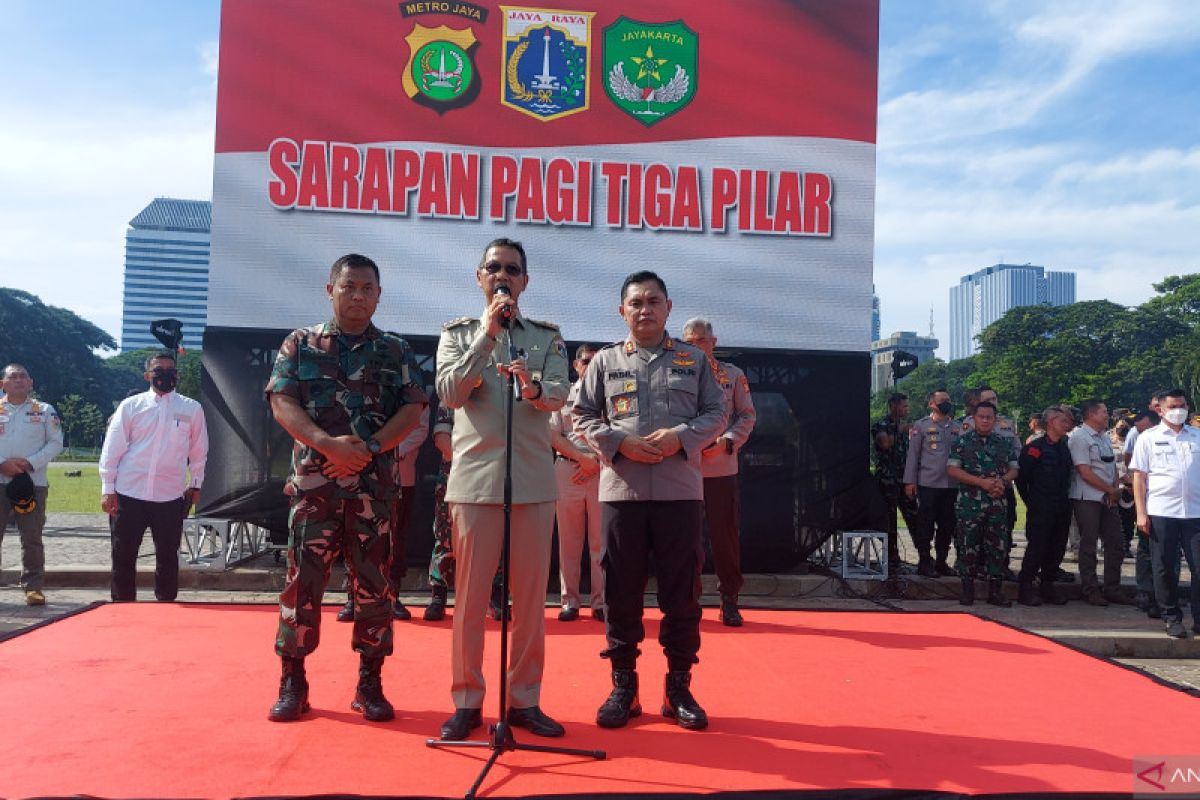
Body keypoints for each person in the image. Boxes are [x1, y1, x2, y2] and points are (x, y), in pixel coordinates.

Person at [264, 253, 427, 723]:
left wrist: (369, 448)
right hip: (316, 487)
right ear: (330, 289)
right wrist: (326, 445)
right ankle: (292, 682)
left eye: (367, 288)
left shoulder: (395, 350)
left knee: (375, 588)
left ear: (378, 295)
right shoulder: (300, 344)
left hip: (372, 491)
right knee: (302, 587)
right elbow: (282, 402)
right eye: (349, 286)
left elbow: (412, 410)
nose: (358, 296)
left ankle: (370, 684)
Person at [574, 271, 726, 731]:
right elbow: (582, 415)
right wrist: (619, 442)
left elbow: (717, 413)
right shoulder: (603, 363)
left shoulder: (693, 361)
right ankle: (624, 686)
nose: (645, 309)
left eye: (653, 301)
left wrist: (681, 438)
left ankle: (677, 687)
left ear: (668, 307)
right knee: (620, 592)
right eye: (635, 302)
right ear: (622, 310)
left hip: (680, 492)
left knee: (682, 595)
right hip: (624, 493)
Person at [435, 238, 570, 741]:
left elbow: (559, 395)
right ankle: (468, 700)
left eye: (512, 269)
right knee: (470, 600)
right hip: (474, 483)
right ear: (479, 276)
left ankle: (524, 700)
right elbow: (450, 392)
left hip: (533, 483)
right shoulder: (458, 335)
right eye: (493, 267)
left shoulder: (546, 337)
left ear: (525, 281)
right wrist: (485, 338)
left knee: (532, 602)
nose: (503, 275)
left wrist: (533, 389)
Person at [100, 352, 208, 604]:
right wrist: (108, 487)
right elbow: (112, 448)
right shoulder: (130, 406)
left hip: (170, 495)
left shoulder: (191, 408)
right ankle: (123, 606)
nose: (166, 374)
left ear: (177, 375)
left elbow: (199, 451)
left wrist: (196, 484)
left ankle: (166, 605)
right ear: (148, 375)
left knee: (168, 556)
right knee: (123, 554)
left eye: (171, 370)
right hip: (129, 492)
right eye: (159, 370)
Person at [682, 317, 757, 625]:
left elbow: (747, 416)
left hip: (721, 469)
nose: (695, 346)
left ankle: (729, 599)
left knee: (724, 539)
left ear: (713, 342)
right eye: (689, 341)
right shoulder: (676, 375)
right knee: (686, 540)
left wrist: (728, 441)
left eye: (701, 340)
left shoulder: (732, 375)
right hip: (685, 468)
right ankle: (688, 600)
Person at [338, 403, 430, 622]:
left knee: (395, 536)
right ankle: (353, 596)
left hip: (399, 475)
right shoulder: (354, 388)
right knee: (352, 534)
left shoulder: (410, 387)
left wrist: (387, 448)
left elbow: (419, 427)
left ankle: (393, 595)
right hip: (356, 472)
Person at [1130, 388, 1200, 639]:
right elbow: (1139, 478)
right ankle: (1171, 617)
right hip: (1162, 511)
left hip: (1195, 512)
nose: (1179, 410)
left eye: (1182, 405)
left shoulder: (1197, 436)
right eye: (1172, 406)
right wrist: (1141, 512)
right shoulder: (1147, 438)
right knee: (1164, 567)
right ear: (1160, 409)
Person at [549, 343, 606, 623]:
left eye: (596, 361)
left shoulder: (610, 394)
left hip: (602, 471)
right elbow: (552, 435)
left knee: (600, 542)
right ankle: (569, 601)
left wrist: (594, 462)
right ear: (575, 365)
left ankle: (600, 602)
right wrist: (581, 459)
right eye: (586, 361)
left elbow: (618, 433)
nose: (590, 365)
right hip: (567, 470)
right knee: (569, 543)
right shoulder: (562, 395)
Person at [0, 364, 63, 606]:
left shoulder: (45, 410)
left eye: (22, 376)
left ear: (31, 382)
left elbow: (56, 442)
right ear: (2, 383)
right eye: (12, 377)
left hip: (32, 484)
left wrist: (29, 463)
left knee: (32, 538)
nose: (18, 380)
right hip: (0, 479)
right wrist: (2, 464)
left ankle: (33, 587)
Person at [946, 401, 1018, 606]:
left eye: (989, 417)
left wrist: (1002, 482)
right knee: (968, 546)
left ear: (995, 420)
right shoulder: (962, 442)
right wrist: (982, 483)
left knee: (997, 548)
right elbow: (952, 470)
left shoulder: (1004, 443)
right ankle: (967, 590)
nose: (985, 420)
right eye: (982, 417)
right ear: (974, 418)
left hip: (997, 502)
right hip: (970, 503)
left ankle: (995, 592)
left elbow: (1014, 469)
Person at [1067, 399, 1129, 606]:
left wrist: (1112, 490)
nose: (1107, 415)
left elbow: (1109, 466)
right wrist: (1110, 490)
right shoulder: (1079, 437)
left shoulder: (1103, 437)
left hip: (1107, 497)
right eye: (1104, 412)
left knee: (1115, 543)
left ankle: (1112, 588)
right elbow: (1084, 472)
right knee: (1089, 544)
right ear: (1092, 414)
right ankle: (1090, 589)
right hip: (1088, 498)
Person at [1015, 406, 1074, 606]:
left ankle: (1047, 585)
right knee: (1037, 548)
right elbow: (1022, 480)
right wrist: (1031, 502)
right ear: (1050, 422)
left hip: (1061, 506)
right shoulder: (1035, 447)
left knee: (1057, 548)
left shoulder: (1064, 446)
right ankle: (1025, 587)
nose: (1066, 425)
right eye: (1062, 421)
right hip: (1041, 506)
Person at [903, 389, 959, 577]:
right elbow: (913, 456)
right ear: (931, 404)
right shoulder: (921, 426)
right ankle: (925, 561)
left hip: (951, 484)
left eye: (948, 400)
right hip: (928, 484)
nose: (946, 403)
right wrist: (909, 481)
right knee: (925, 523)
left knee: (947, 525)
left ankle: (942, 561)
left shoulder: (957, 427)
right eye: (942, 400)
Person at [871, 393, 920, 574]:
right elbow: (884, 444)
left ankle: (924, 556)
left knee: (915, 518)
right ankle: (892, 559)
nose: (906, 409)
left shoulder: (907, 428)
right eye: (903, 406)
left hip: (905, 480)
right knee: (889, 521)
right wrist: (899, 430)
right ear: (893, 405)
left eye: (907, 406)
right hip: (887, 481)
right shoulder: (881, 425)